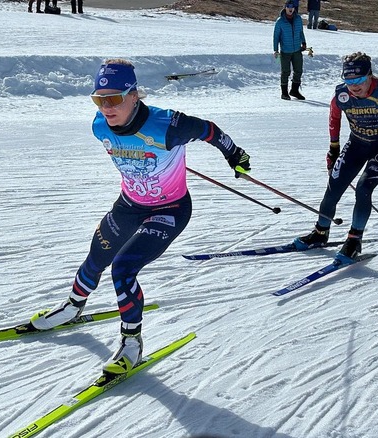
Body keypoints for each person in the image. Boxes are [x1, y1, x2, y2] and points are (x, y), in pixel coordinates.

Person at [30, 59, 252, 375]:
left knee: (123, 267)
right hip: (130, 203)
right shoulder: (98, 126)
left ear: (135, 95)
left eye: (115, 98)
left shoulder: (169, 125)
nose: (106, 107)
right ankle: (73, 306)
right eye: (99, 98)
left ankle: (131, 343)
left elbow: (210, 131)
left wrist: (235, 155)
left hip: (169, 210)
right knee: (97, 255)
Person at [294, 53, 378, 263]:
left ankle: (354, 241)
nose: (353, 86)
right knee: (334, 186)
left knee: (364, 187)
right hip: (357, 144)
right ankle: (320, 233)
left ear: (369, 76)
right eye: (348, 80)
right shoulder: (341, 95)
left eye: (358, 80)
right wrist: (333, 148)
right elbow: (334, 116)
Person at [274, 0, 308, 100]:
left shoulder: (298, 19)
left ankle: (294, 91)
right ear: (285, 8)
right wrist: (275, 49)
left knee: (298, 70)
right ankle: (284, 93)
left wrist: (304, 42)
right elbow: (276, 36)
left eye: (292, 7)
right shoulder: (280, 21)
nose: (290, 9)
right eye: (288, 6)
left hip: (297, 50)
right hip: (285, 51)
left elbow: (301, 32)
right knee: (285, 72)